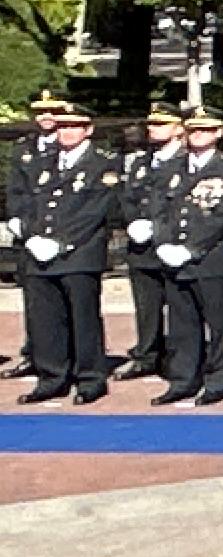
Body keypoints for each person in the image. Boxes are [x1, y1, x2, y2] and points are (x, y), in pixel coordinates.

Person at [10, 94, 114, 404]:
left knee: (83, 319)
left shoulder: (103, 163)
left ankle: (89, 378)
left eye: (74, 126)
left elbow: (96, 209)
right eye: (63, 126)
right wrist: (30, 235)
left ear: (88, 130)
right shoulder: (42, 161)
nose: (66, 132)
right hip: (39, 252)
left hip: (78, 253)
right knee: (44, 320)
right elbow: (27, 201)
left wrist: (61, 241)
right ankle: (51, 376)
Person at [151, 109, 223, 405]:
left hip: (208, 258)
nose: (198, 136)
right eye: (193, 131)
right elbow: (158, 208)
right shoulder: (171, 167)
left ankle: (218, 379)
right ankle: (183, 378)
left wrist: (192, 248)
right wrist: (163, 242)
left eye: (205, 130)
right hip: (172, 256)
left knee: (215, 321)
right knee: (181, 322)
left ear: (218, 133)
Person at [117, 109, 182, 384]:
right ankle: (146, 355)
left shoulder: (186, 161)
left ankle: (178, 357)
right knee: (146, 305)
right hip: (142, 247)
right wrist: (133, 221)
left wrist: (159, 228)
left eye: (160, 124)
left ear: (178, 128)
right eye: (151, 124)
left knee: (180, 306)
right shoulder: (141, 162)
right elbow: (128, 197)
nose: (153, 128)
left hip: (174, 244)